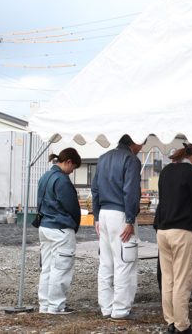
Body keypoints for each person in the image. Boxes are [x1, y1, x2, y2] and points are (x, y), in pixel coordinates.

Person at [155, 143, 192, 334]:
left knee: (168, 279)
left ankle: (170, 321)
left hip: (162, 230)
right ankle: (182, 325)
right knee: (182, 280)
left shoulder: (167, 170)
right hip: (183, 230)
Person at [92, 135, 143, 321]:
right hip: (121, 214)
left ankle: (106, 307)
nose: (141, 147)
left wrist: (96, 216)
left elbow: (95, 189)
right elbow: (131, 191)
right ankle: (120, 310)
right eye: (141, 143)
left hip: (104, 213)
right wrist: (130, 219)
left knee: (106, 263)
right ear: (134, 141)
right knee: (125, 262)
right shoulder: (131, 159)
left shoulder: (103, 157)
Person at [37, 148, 82, 315]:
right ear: (68, 161)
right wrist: (74, 224)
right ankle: (56, 306)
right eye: (73, 167)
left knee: (47, 268)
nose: (72, 171)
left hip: (45, 226)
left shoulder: (45, 177)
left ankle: (45, 305)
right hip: (60, 228)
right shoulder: (62, 180)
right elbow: (72, 207)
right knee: (61, 268)